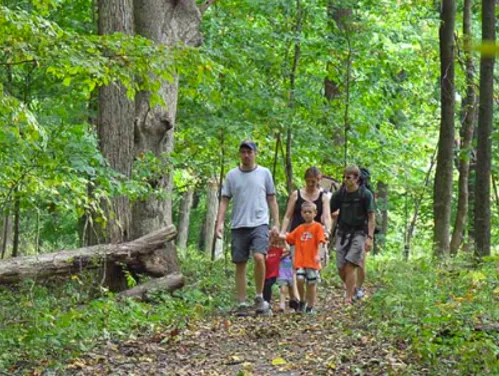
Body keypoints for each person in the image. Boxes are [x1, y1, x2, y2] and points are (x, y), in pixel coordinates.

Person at [215, 140, 280, 316]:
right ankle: (242, 303)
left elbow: (272, 198)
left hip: (260, 223)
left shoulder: (264, 173)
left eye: (249, 152)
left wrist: (276, 224)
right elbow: (224, 199)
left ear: (255, 153)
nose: (246, 155)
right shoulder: (232, 175)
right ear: (239, 154)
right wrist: (219, 222)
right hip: (239, 224)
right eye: (243, 152)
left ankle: (259, 297)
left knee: (260, 257)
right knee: (240, 264)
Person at [280, 167, 332, 300]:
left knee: (311, 273)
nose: (310, 184)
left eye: (313, 182)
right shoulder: (296, 194)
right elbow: (288, 216)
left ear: (319, 181)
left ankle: (310, 302)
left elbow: (326, 217)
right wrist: (282, 233)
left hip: (314, 239)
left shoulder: (323, 196)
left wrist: (327, 231)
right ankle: (298, 300)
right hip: (297, 236)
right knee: (297, 269)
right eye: (308, 181)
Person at [331, 165, 375, 305]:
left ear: (356, 179)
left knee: (351, 265)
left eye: (348, 177)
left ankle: (348, 298)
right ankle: (354, 289)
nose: (345, 180)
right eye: (343, 177)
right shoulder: (340, 194)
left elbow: (371, 217)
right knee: (341, 268)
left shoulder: (365, 194)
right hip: (342, 232)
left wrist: (369, 238)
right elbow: (329, 211)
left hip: (359, 233)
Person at [281, 201, 326, 314]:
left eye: (309, 212)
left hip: (312, 261)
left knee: (311, 283)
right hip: (300, 261)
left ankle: (311, 306)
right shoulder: (299, 228)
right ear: (301, 213)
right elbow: (289, 238)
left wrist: (319, 254)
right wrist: (280, 235)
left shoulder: (318, 227)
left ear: (315, 213)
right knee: (300, 279)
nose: (307, 214)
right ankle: (302, 300)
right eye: (305, 212)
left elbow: (321, 241)